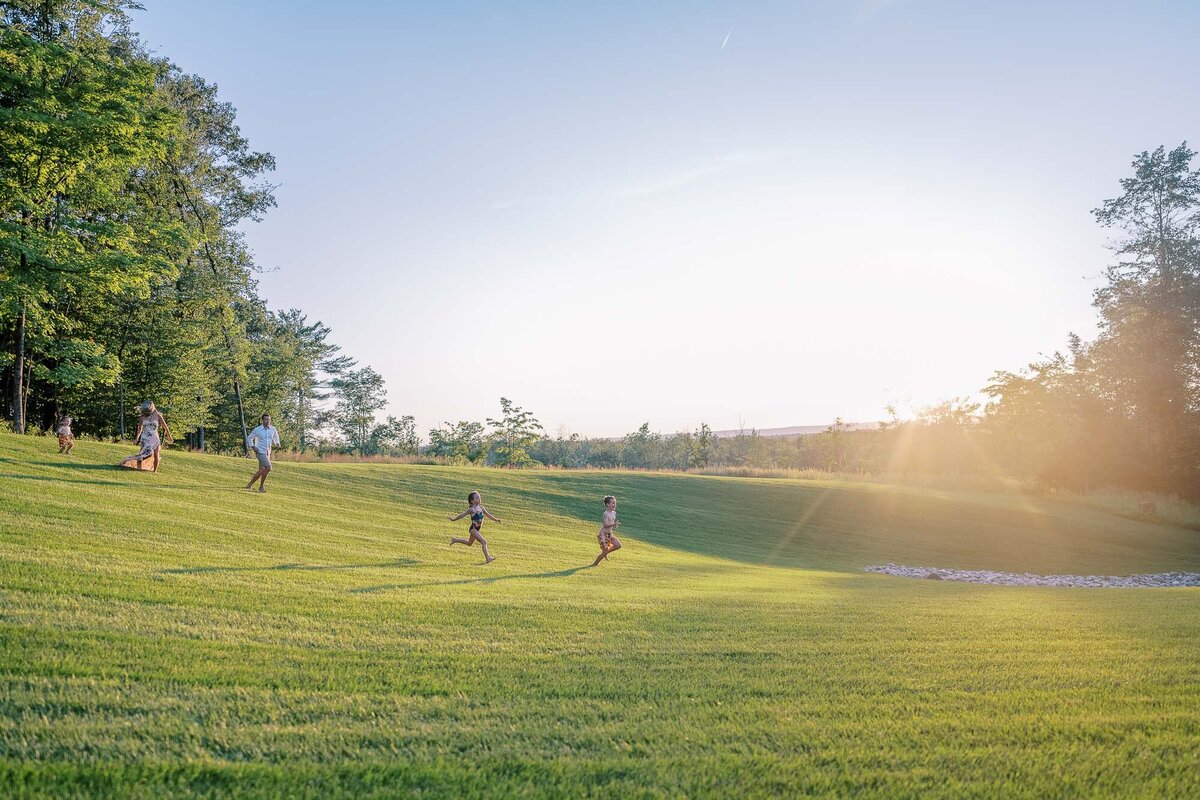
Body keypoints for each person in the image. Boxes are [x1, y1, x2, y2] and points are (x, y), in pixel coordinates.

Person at [448, 490, 501, 563]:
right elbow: (462, 515)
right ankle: (488, 558)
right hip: (473, 529)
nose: (479, 499)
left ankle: (455, 540)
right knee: (484, 542)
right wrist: (453, 519)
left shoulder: (481, 508)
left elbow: (488, 515)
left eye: (479, 497)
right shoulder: (472, 510)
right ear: (472, 501)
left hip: (477, 529)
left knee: (469, 543)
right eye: (477, 498)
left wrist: (496, 520)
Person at [119, 401, 172, 472]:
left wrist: (169, 436)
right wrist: (137, 438)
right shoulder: (142, 417)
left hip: (155, 438)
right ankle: (138, 468)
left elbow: (165, 426)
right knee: (144, 454)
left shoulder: (158, 415)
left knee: (156, 455)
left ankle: (154, 471)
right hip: (145, 438)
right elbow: (139, 429)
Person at [245, 413, 280, 493]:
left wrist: (277, 443)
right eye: (266, 419)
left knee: (261, 470)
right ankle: (261, 487)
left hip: (268, 452)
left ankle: (249, 485)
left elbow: (275, 437)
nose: (268, 421)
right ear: (262, 420)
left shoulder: (273, 429)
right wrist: (253, 447)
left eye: (269, 419)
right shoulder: (257, 429)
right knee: (268, 467)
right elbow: (249, 438)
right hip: (260, 451)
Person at [591, 495, 622, 567]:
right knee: (604, 552)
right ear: (608, 504)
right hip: (603, 535)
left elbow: (610, 524)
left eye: (615, 503)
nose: (615, 505)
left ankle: (606, 552)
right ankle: (594, 564)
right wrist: (614, 524)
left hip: (609, 534)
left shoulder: (614, 513)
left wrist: (614, 525)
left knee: (618, 545)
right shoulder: (606, 514)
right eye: (613, 503)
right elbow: (605, 525)